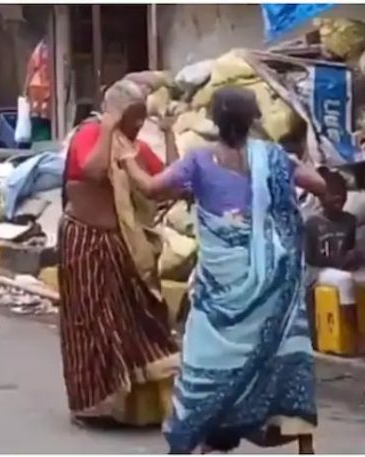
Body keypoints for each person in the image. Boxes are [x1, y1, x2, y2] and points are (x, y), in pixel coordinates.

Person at [119, 87, 327, 454]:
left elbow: (151, 189)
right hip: (271, 284)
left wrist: (127, 160)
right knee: (283, 350)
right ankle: (304, 446)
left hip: (220, 289)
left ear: (214, 121)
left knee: (206, 361)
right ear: (253, 121)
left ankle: (200, 437)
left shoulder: (199, 161)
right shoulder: (273, 158)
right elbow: (319, 185)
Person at [58, 78, 180, 429]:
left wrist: (169, 133)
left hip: (124, 247)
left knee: (139, 323)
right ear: (113, 113)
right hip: (86, 243)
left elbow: (169, 182)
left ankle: (137, 409)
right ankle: (93, 405)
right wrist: (108, 128)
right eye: (133, 116)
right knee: (92, 325)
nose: (140, 124)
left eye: (143, 117)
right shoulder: (91, 133)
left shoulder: (132, 148)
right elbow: (93, 170)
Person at [305, 169, 363, 347]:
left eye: (342, 192)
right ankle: (350, 333)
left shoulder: (350, 221)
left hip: (343, 267)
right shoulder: (312, 224)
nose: (339, 197)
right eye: (333, 193)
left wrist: (353, 257)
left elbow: (351, 252)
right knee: (345, 280)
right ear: (321, 196)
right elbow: (309, 261)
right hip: (317, 271)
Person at [23, 40, 51, 119]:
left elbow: (31, 68)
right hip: (46, 84)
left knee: (36, 112)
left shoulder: (40, 48)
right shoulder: (46, 47)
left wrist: (25, 89)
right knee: (44, 112)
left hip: (37, 83)